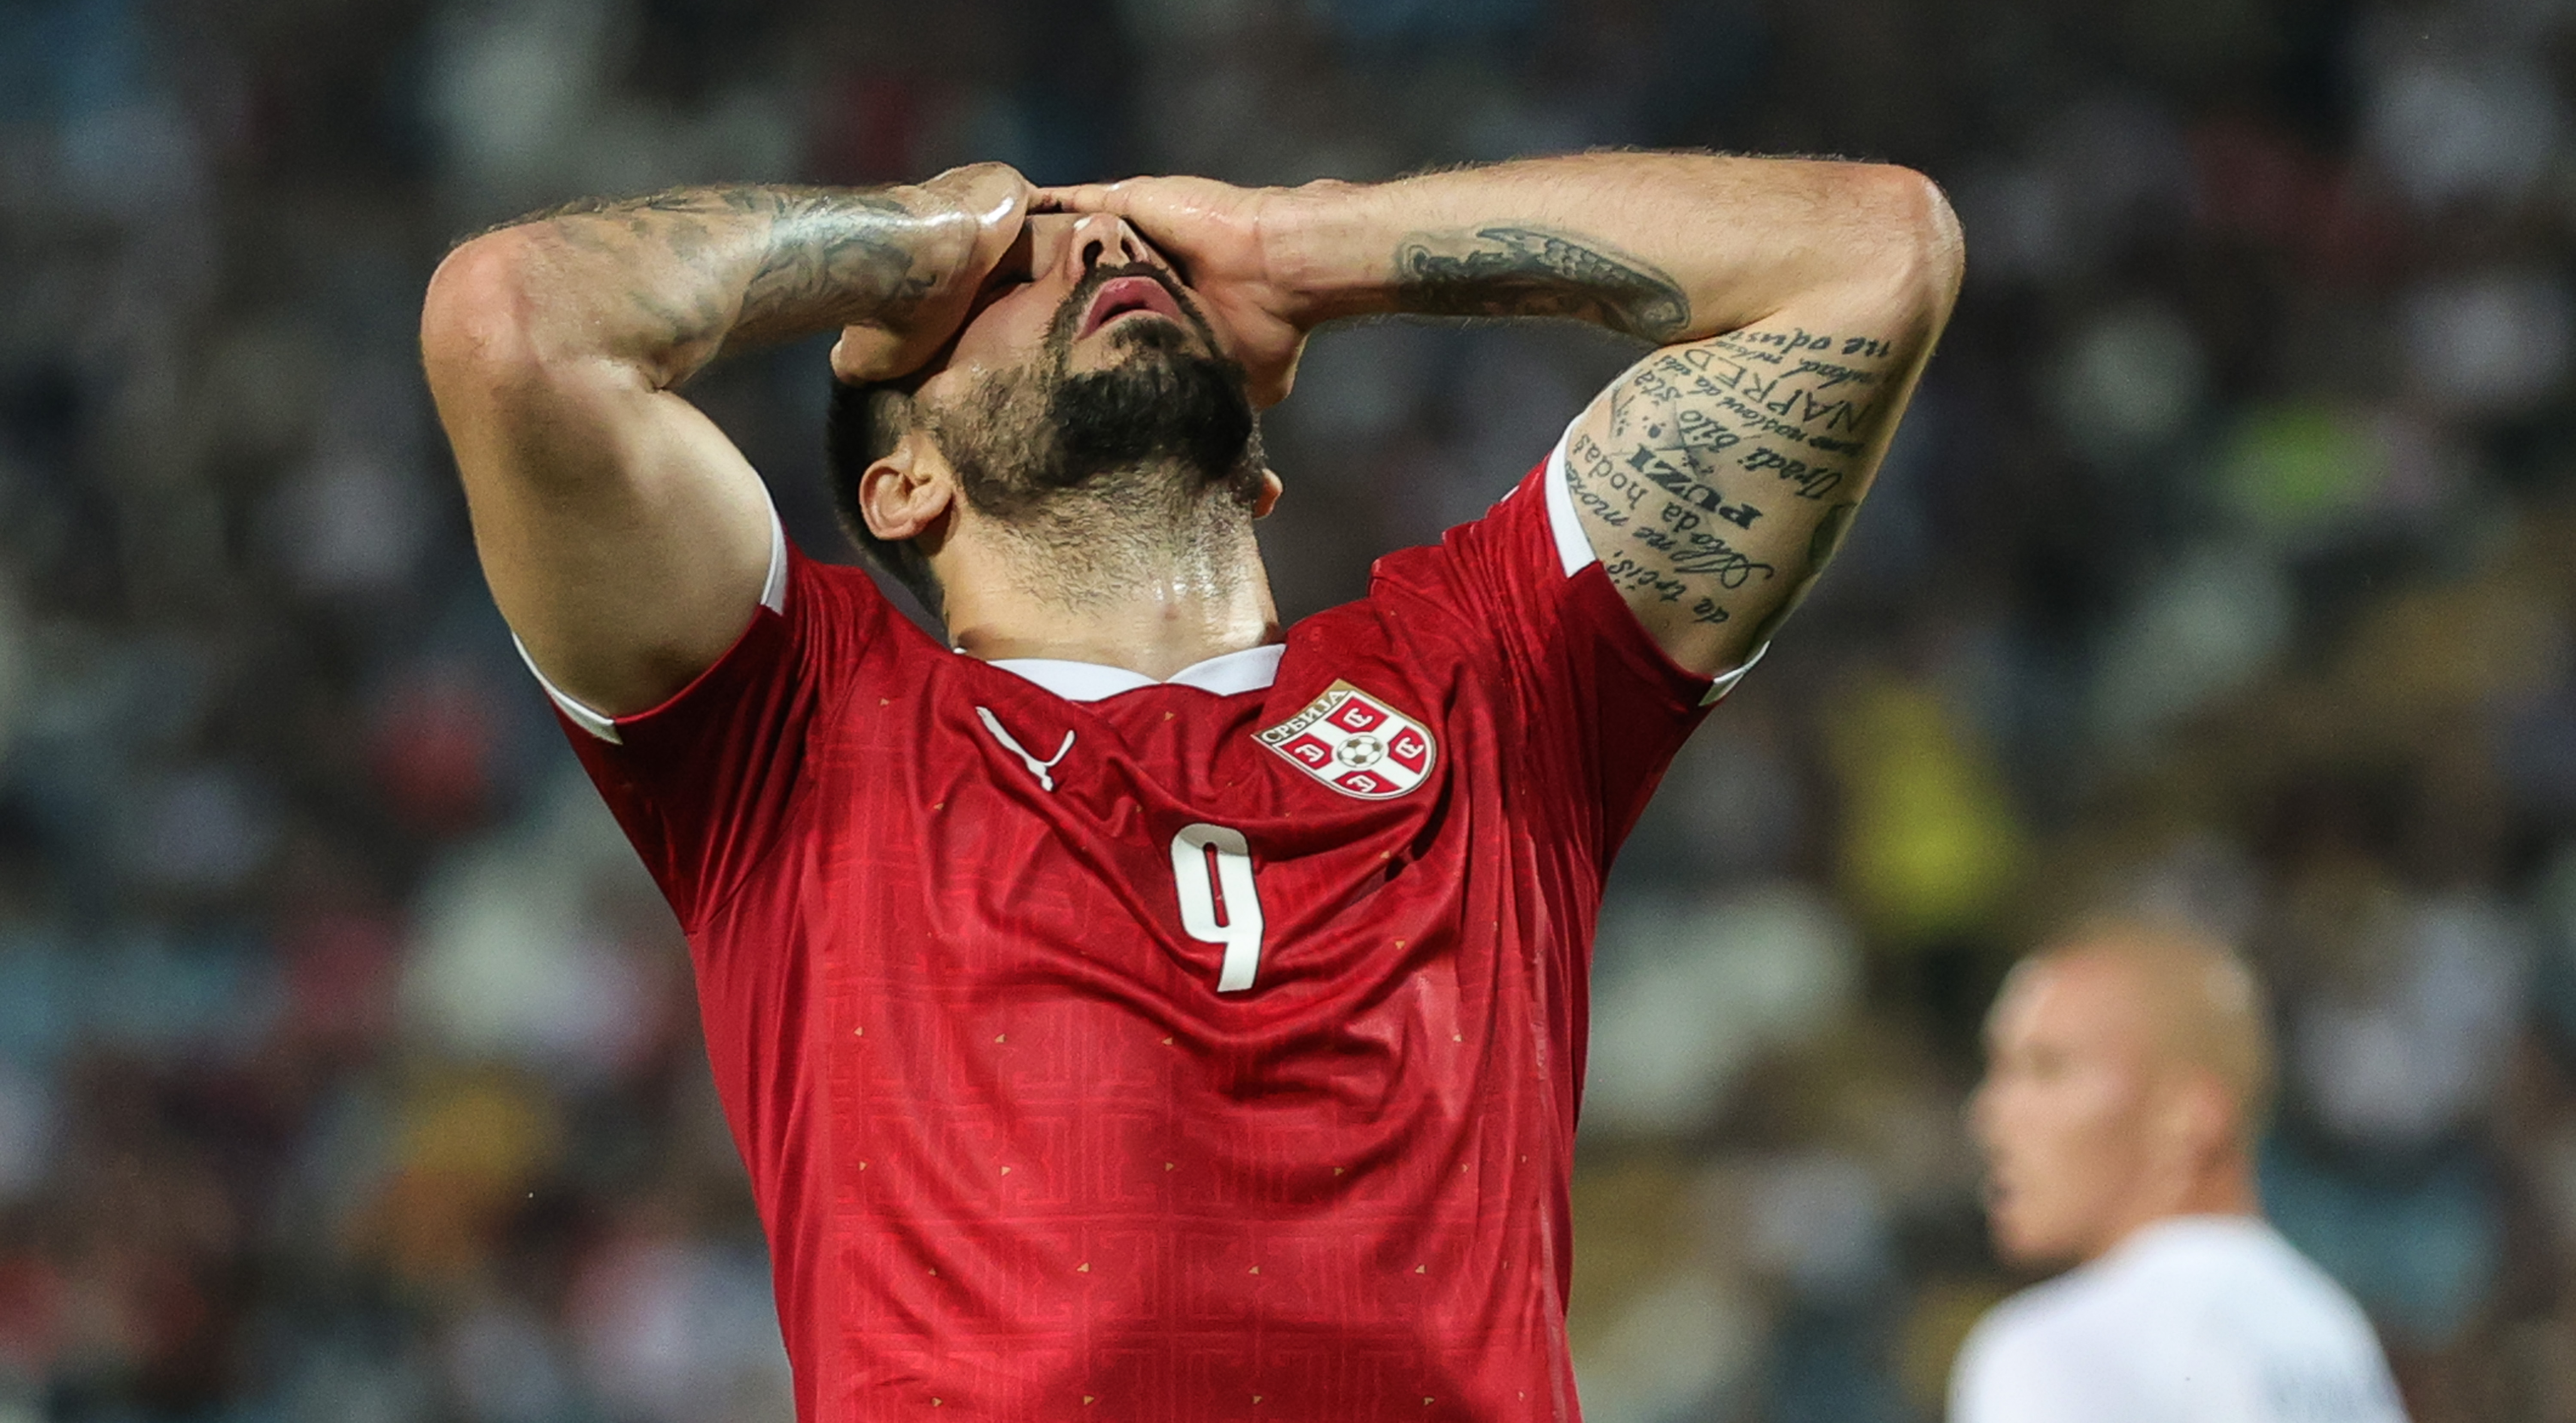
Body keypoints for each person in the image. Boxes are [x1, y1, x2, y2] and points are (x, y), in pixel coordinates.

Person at [420, 151, 1960, 1420]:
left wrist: (1303, 244)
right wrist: (919, 236)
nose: (1098, 252)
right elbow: (514, 324)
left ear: (1259, 468)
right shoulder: (799, 726)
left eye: (1135, 256)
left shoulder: (1490, 676)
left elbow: (1871, 257)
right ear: (901, 484)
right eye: (1018, 280)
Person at [1953, 918, 2410, 1423]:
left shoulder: (2053, 1352)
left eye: (2048, 1069)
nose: (1990, 1116)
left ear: (2190, 1114)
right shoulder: (2330, 1331)